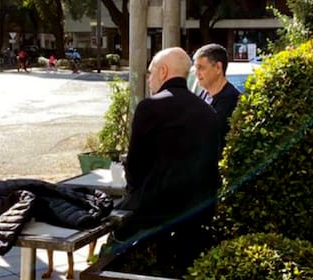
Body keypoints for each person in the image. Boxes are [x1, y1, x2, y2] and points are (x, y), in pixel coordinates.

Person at [103, 47, 220, 273]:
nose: (148, 79)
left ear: (164, 71)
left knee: (111, 248)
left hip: (156, 212)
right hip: (199, 211)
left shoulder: (150, 107)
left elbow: (135, 167)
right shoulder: (208, 111)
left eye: (150, 72)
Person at [193, 43, 241, 156]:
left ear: (218, 67)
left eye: (201, 68)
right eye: (196, 68)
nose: (197, 73)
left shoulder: (233, 100)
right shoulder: (201, 96)